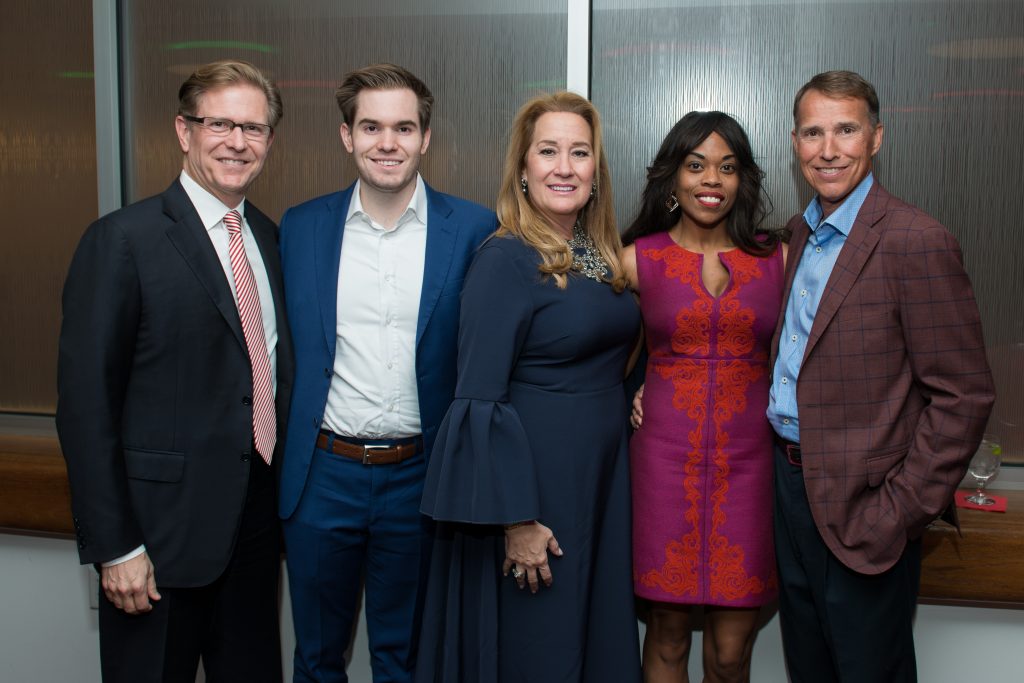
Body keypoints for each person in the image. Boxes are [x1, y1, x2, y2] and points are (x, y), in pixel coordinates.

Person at [56, 59, 292, 683]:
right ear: (184, 132)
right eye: (220, 124)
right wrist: (116, 547)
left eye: (254, 128)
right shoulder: (122, 241)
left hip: (253, 536)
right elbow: (86, 409)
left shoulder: (270, 237)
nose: (237, 142)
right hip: (155, 546)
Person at [767, 70, 995, 682]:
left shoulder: (915, 241)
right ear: (795, 143)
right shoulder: (798, 234)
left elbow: (963, 394)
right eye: (814, 132)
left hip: (867, 508)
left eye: (846, 129)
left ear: (876, 138)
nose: (829, 148)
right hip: (789, 495)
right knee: (808, 668)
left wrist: (899, 509)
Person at [277, 63, 496, 683]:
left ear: (426, 138)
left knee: (406, 658)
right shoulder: (300, 227)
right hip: (323, 475)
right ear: (346, 136)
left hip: (421, 480)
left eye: (404, 127)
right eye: (370, 127)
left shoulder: (475, 230)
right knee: (317, 658)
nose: (387, 143)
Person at [415, 91, 642, 683]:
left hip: (600, 480)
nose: (564, 167)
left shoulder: (597, 255)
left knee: (588, 638)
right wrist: (517, 520)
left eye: (579, 152)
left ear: (596, 170)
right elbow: (477, 399)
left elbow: (615, 348)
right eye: (548, 151)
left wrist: (642, 390)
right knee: (539, 648)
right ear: (522, 167)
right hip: (536, 492)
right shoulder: (505, 258)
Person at [622, 111, 785, 683]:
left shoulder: (779, 258)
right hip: (663, 463)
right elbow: (594, 358)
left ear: (743, 181)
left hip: (751, 467)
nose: (711, 180)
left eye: (727, 167)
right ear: (673, 176)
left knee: (729, 653)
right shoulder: (635, 259)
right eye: (696, 165)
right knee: (665, 639)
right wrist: (632, 390)